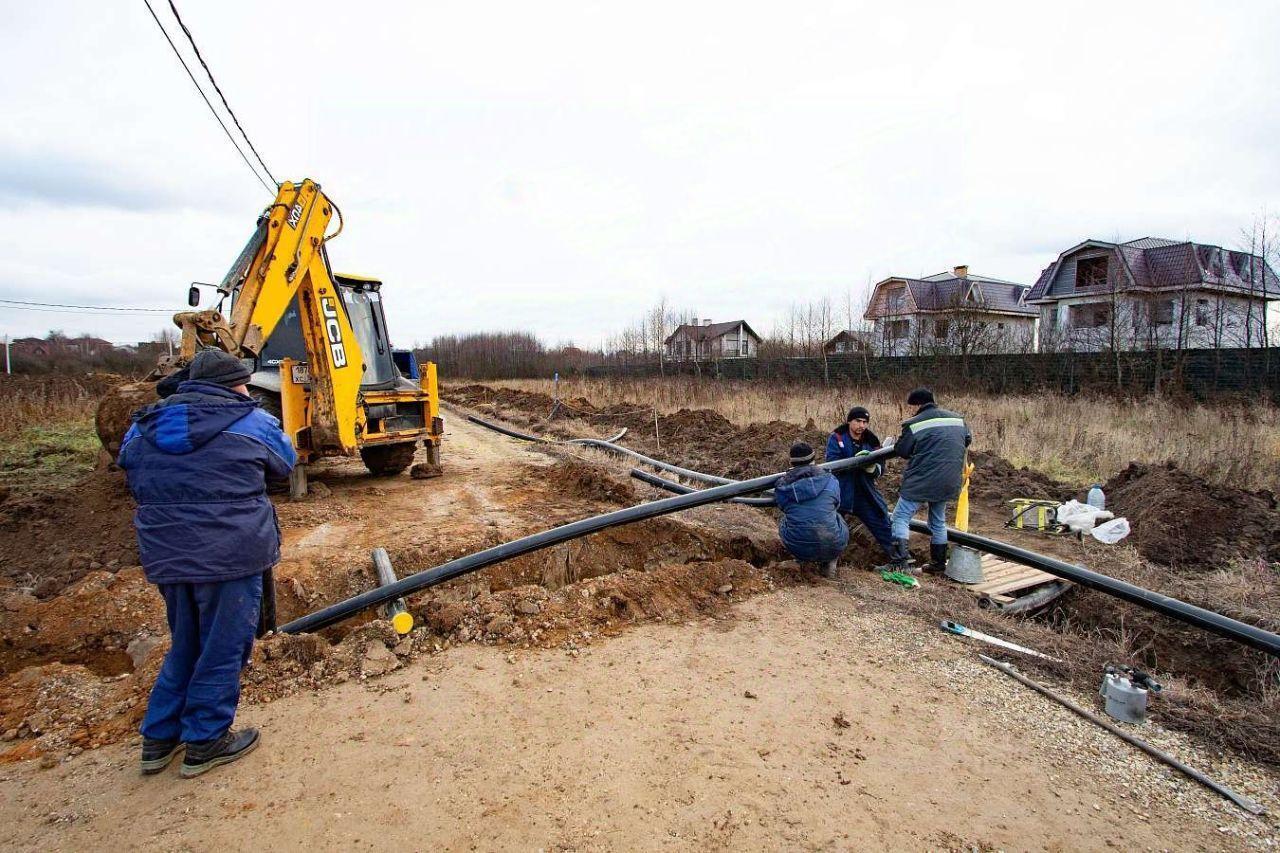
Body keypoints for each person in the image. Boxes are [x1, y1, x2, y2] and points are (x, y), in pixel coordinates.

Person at [118, 349, 296, 777]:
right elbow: (285, 464)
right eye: (243, 383)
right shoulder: (252, 422)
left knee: (187, 642)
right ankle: (206, 740)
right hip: (230, 555)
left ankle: (159, 738)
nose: (246, 389)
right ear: (233, 384)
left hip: (168, 555)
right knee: (223, 646)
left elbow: (129, 470)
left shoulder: (142, 428)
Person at [886, 387, 971, 575]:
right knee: (938, 522)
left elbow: (902, 450)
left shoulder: (914, 424)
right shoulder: (957, 419)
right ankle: (938, 565)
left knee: (900, 517)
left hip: (922, 480)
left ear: (917, 405)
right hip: (949, 479)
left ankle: (899, 563)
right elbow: (967, 440)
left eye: (911, 407)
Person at [824, 406, 894, 563]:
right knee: (833, 529)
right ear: (849, 421)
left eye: (865, 422)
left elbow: (881, 468)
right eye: (858, 421)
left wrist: (871, 468)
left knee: (881, 522)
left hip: (864, 492)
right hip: (840, 491)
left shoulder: (872, 440)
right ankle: (828, 562)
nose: (861, 426)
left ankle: (898, 559)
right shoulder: (837, 437)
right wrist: (855, 462)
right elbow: (832, 463)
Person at [774, 442, 849, 578]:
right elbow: (836, 504)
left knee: (785, 520)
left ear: (791, 462)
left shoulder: (782, 486)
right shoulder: (830, 480)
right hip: (833, 544)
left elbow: (782, 507)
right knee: (837, 516)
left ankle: (802, 560)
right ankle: (829, 561)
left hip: (799, 547)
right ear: (814, 460)